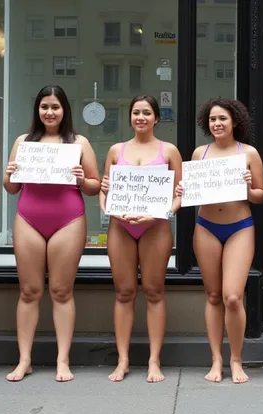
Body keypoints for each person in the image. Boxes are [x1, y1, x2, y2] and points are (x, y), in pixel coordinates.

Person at [3, 86, 101, 382]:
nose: (49, 112)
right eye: (44, 106)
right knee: (29, 291)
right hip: (28, 219)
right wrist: (9, 174)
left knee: (61, 291)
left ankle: (62, 360)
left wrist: (84, 179)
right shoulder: (23, 141)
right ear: (37, 109)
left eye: (55, 107)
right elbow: (11, 189)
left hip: (68, 220)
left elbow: (95, 187)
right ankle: (24, 360)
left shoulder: (79, 142)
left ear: (64, 110)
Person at [174, 98, 263, 383]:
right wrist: (182, 188)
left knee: (233, 297)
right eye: (212, 119)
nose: (217, 124)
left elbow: (260, 196)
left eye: (222, 118)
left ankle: (237, 360)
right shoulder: (200, 153)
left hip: (240, 227)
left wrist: (250, 186)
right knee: (213, 296)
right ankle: (216, 360)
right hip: (207, 227)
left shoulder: (248, 153)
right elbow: (190, 192)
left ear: (235, 121)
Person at [99, 95, 183, 383]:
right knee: (123, 292)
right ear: (130, 117)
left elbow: (179, 195)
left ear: (156, 118)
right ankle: (122, 360)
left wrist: (162, 214)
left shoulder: (169, 151)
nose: (141, 117)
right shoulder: (115, 150)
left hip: (155, 226)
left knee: (154, 290)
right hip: (121, 226)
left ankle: (153, 361)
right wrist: (107, 206)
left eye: (147, 113)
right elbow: (103, 189)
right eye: (136, 112)